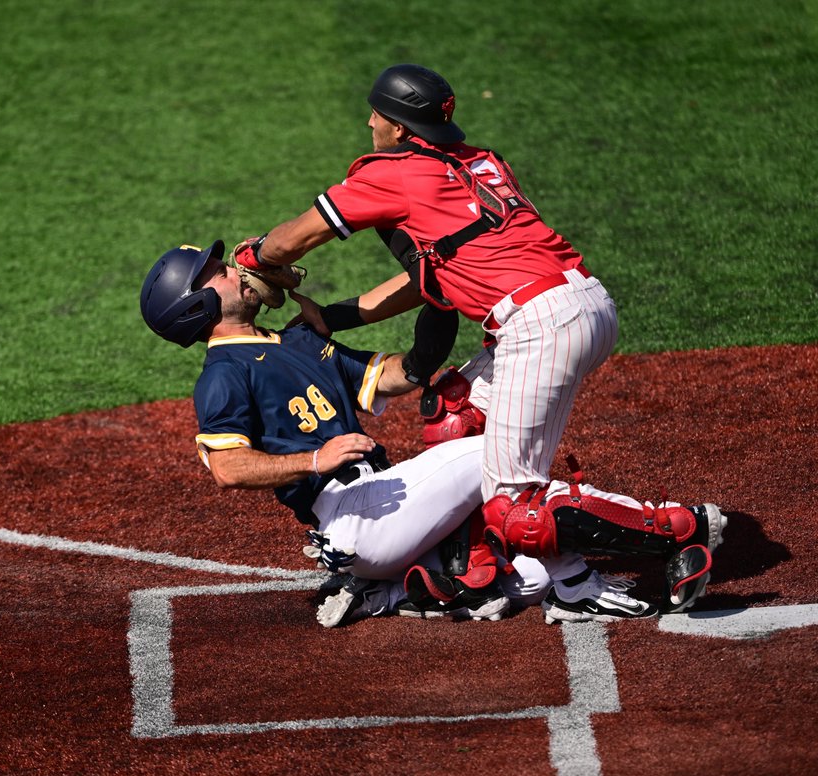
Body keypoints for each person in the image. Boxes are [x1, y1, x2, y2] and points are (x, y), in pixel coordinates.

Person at [231, 64, 727, 622]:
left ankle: (677, 530)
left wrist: (255, 257)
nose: (369, 122)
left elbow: (301, 235)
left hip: (540, 325)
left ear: (396, 127)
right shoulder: (477, 163)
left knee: (517, 509)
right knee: (456, 414)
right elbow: (432, 278)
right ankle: (482, 568)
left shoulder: (391, 173)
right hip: (578, 302)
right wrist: (336, 316)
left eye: (375, 114)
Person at [140, 239, 552, 627]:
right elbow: (227, 469)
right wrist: (316, 461)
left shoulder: (299, 338)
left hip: (393, 509)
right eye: (218, 272)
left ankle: (389, 591)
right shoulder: (223, 375)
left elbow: (393, 375)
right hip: (352, 514)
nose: (235, 270)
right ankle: (570, 584)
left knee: (533, 577)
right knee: (500, 448)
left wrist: (432, 326)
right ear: (197, 305)